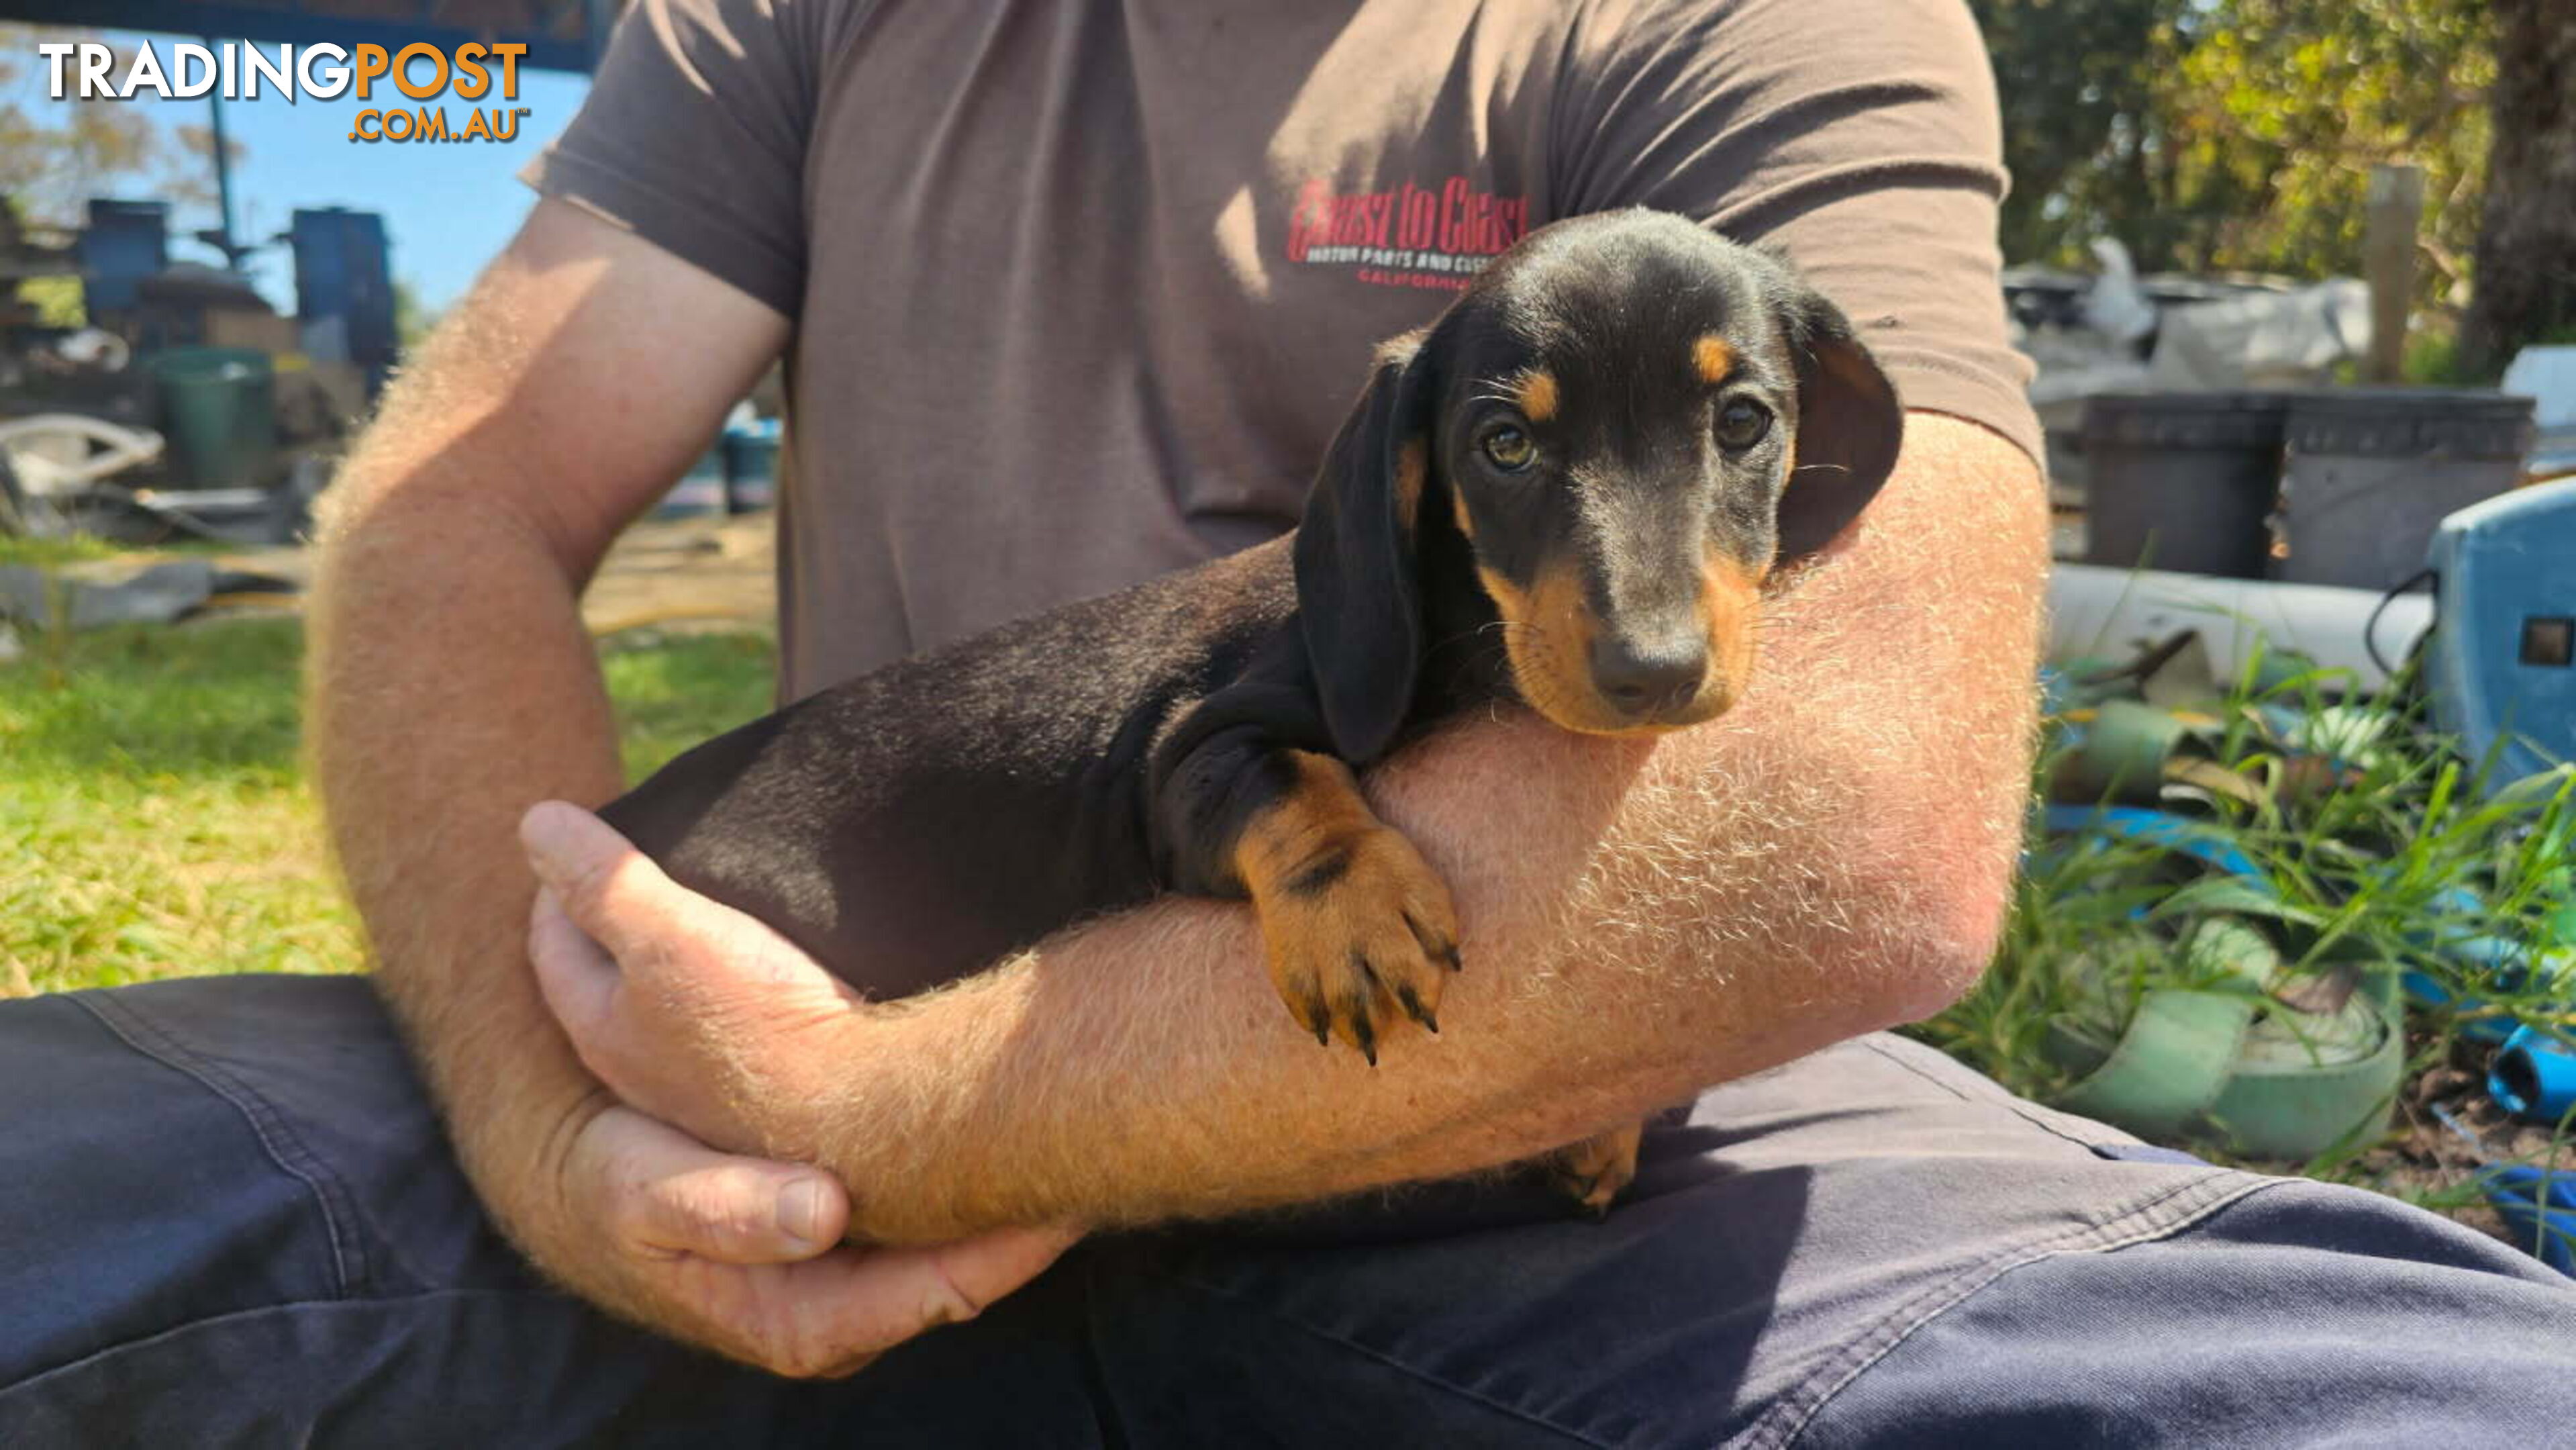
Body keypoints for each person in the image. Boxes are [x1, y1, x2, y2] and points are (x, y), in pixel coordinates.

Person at [6, 0, 2574, 1443]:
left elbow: (1865, 819)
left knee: (2423, 1416)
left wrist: (888, 1129)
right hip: (729, 1003)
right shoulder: (782, 18)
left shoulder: (1750, 24)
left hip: (1568, 1093)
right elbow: (445, 515)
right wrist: (567, 1102)